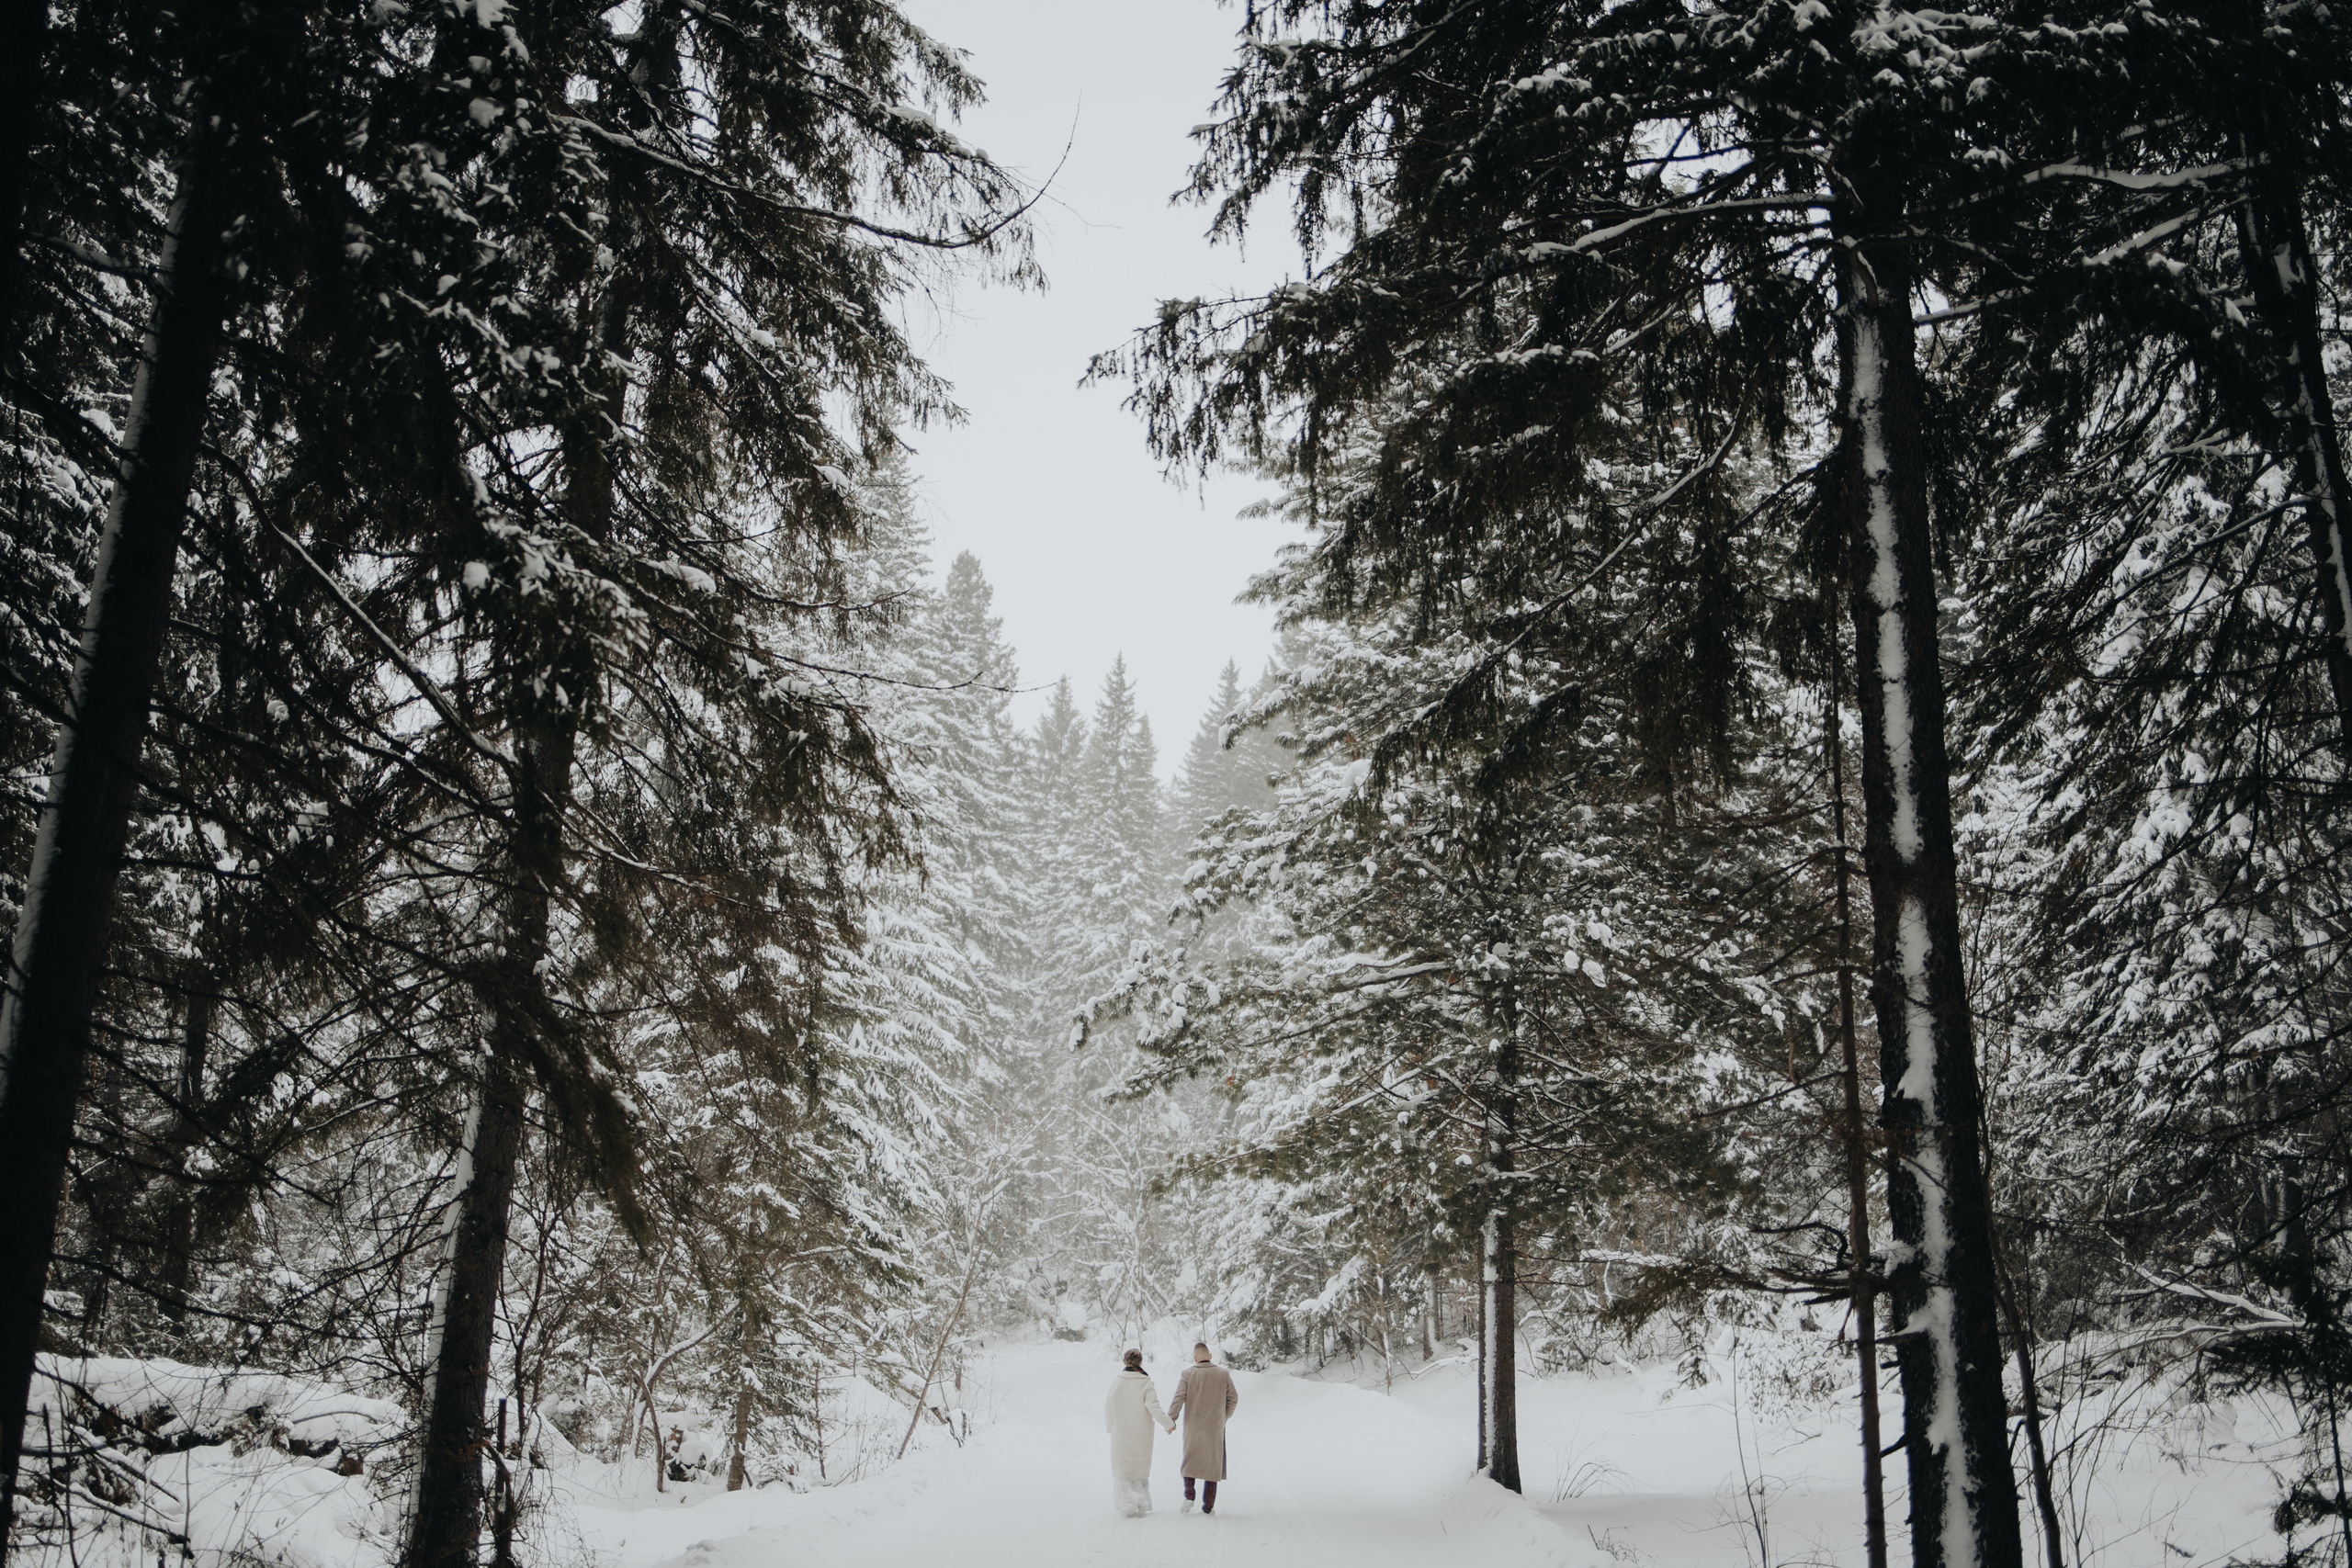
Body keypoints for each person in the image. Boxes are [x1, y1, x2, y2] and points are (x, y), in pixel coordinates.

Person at [1167, 1340, 1238, 1515]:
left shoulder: (1187, 1374)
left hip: (1193, 1426)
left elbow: (1178, 1398)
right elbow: (1233, 1399)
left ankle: (1189, 1496)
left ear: (1195, 1358)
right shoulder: (1223, 1374)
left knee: (1190, 1460)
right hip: (1214, 1427)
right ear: (1210, 1357)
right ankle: (1208, 1507)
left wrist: (1171, 1420)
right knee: (1212, 1465)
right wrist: (1224, 1417)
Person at [1104, 1348, 1173, 1517]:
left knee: (1125, 1468)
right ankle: (1138, 1502)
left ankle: (1127, 1503)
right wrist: (1168, 1424)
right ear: (1140, 1362)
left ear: (1125, 1362)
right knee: (1137, 1468)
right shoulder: (1145, 1382)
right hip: (1140, 1432)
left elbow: (1109, 1407)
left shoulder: (1117, 1382)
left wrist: (1110, 1427)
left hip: (1121, 1432)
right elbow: (1154, 1407)